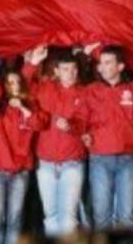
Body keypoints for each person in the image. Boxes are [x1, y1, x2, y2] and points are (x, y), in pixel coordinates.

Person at [83, 44, 133, 238]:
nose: (101, 67)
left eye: (107, 63)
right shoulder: (91, 90)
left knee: (126, 217)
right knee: (101, 216)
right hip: (100, 158)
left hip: (128, 159)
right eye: (100, 63)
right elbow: (81, 119)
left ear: (120, 67)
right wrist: (83, 133)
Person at [23, 48, 89, 238]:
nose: (71, 73)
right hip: (46, 162)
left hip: (72, 162)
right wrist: (33, 63)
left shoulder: (84, 93)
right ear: (57, 71)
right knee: (50, 217)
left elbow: (86, 122)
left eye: (74, 69)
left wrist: (71, 126)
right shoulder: (46, 88)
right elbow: (21, 87)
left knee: (69, 217)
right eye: (66, 69)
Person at [0, 68, 46, 244]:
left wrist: (23, 108)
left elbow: (40, 123)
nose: (15, 86)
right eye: (10, 83)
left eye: (18, 82)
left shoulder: (30, 105)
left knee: (15, 220)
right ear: (3, 86)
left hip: (20, 172)